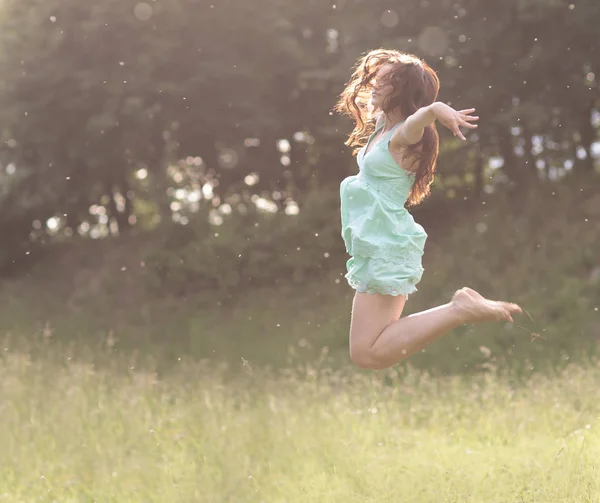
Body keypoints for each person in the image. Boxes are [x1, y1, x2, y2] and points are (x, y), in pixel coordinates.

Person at [334, 49, 522, 370]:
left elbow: (417, 121)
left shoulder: (404, 137)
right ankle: (457, 310)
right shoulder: (382, 127)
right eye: (376, 80)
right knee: (366, 352)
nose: (374, 87)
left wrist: (435, 108)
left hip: (387, 246)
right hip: (375, 245)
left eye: (385, 83)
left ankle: (458, 310)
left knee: (367, 353)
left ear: (403, 93)